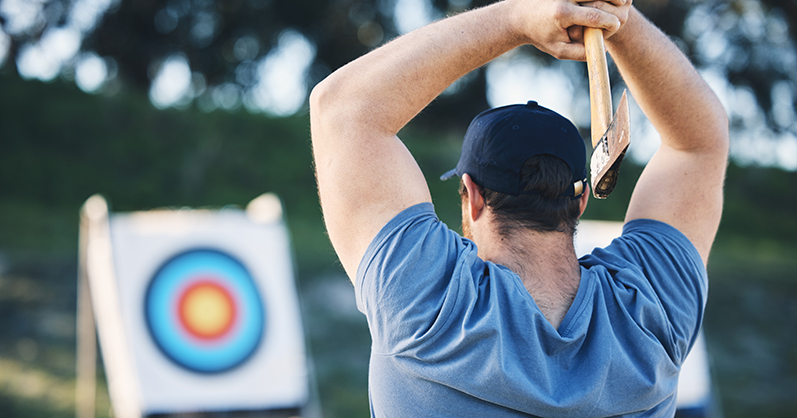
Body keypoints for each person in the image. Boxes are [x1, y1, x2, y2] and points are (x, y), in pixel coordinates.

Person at [309, 0, 728, 416]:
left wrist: (517, 18)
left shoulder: (430, 301)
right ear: (579, 201)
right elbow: (700, 140)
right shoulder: (651, 312)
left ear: (472, 195)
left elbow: (342, 109)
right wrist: (615, 14)